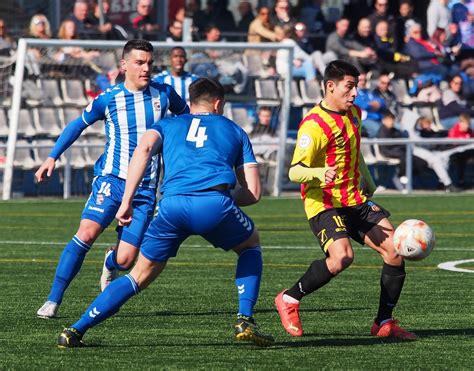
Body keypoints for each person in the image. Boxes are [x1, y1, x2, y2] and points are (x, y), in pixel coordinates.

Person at [56, 78, 274, 348]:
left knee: (137, 275)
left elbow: (144, 149)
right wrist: (223, 199)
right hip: (213, 204)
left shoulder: (167, 125)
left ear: (190, 103)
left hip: (171, 206)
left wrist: (126, 201)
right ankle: (245, 317)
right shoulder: (234, 129)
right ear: (218, 104)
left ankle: (75, 330)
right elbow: (253, 192)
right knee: (251, 244)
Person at [35, 40, 189, 319]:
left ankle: (110, 260)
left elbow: (188, 119)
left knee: (127, 260)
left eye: (150, 63)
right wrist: (52, 156)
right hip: (111, 179)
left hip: (144, 188)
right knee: (86, 233)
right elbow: (77, 125)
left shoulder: (165, 94)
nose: (146, 68)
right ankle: (53, 300)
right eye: (140, 63)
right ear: (124, 65)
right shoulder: (110, 98)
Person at [274, 59, 417, 340]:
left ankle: (384, 323)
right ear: (330, 86)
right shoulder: (313, 126)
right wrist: (318, 172)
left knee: (395, 251)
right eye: (349, 87)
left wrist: (368, 177)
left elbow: (356, 150)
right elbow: (294, 171)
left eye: (357, 87)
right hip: (324, 202)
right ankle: (289, 299)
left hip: (354, 198)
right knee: (341, 258)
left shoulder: (354, 114)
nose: (354, 94)